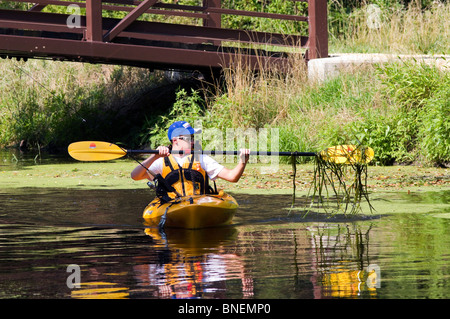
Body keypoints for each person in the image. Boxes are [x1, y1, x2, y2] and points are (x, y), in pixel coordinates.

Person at [131, 121, 250, 199]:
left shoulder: (202, 159)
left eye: (193, 138)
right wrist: (154, 156)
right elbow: (135, 176)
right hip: (172, 205)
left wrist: (242, 161)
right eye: (189, 138)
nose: (193, 141)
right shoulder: (160, 162)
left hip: (199, 204)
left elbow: (232, 177)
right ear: (175, 140)